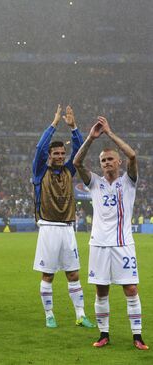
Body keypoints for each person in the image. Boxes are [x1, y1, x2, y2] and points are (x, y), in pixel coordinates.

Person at [73, 116, 148, 350]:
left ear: (119, 162)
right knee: (101, 290)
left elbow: (133, 155)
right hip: (99, 244)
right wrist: (90, 138)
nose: (106, 163)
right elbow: (77, 163)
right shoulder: (94, 183)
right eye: (103, 160)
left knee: (131, 289)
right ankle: (104, 334)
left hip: (123, 243)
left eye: (110, 159)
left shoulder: (129, 182)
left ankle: (137, 336)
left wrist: (110, 133)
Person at [32, 105, 94, 329]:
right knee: (48, 275)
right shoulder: (40, 172)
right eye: (55, 154)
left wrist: (74, 127)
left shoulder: (69, 169)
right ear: (49, 156)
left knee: (73, 274)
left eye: (61, 154)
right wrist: (54, 123)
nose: (59, 156)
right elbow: (39, 148)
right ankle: (49, 315)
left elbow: (79, 150)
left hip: (68, 229)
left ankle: (80, 315)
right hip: (48, 228)